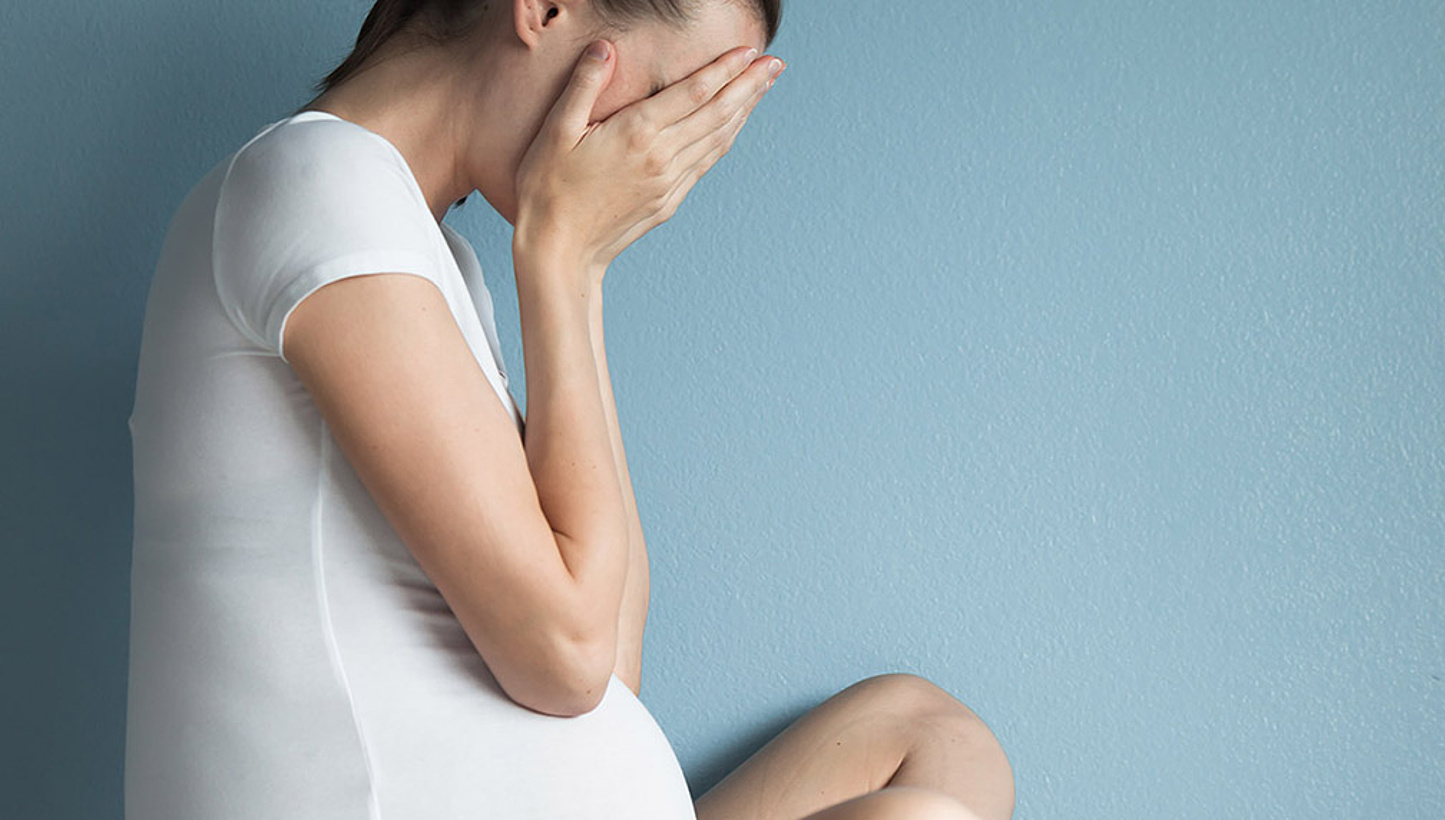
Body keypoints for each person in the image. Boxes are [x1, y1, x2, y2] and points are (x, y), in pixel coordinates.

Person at [124, 1, 1016, 818]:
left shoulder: (431, 256)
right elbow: (569, 658)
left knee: (931, 732)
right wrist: (565, 258)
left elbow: (610, 666)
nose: (656, 157)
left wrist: (575, 274)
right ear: (546, 9)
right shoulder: (319, 181)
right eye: (668, 99)